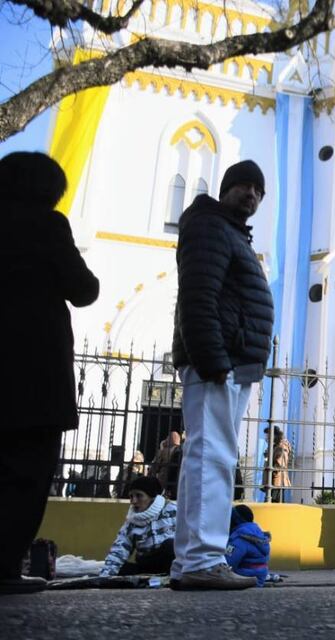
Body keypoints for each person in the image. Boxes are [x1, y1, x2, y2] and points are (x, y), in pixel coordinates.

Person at [170, 159, 274, 590]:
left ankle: (194, 560)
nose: (250, 194)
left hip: (234, 361)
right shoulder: (211, 227)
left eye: (257, 190)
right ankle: (202, 560)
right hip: (220, 361)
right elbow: (199, 295)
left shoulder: (230, 232)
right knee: (210, 457)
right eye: (243, 186)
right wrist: (212, 357)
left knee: (211, 457)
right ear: (225, 188)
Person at [0, 152, 100, 594]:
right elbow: (84, 289)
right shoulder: (47, 224)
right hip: (35, 372)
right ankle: (4, 566)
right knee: (28, 473)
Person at [100, 477, 177, 576]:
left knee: (170, 545)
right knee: (121, 568)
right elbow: (119, 549)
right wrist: (105, 577)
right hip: (147, 565)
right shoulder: (131, 521)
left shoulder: (173, 511)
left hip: (172, 562)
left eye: (139, 496)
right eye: (131, 496)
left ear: (152, 497)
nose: (134, 501)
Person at [225, 505, 271, 587]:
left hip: (245, 577)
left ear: (236, 520)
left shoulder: (240, 538)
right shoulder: (258, 534)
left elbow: (228, 563)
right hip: (259, 576)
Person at [151, 431, 183, 499]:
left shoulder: (164, 451)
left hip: (163, 481)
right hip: (178, 482)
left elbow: (155, 467)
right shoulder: (182, 451)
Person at [264, 426, 292, 503]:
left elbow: (280, 463)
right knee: (273, 503)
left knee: (274, 503)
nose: (266, 438)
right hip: (274, 481)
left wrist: (272, 473)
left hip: (277, 481)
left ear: (274, 435)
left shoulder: (281, 446)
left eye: (268, 436)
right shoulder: (275, 446)